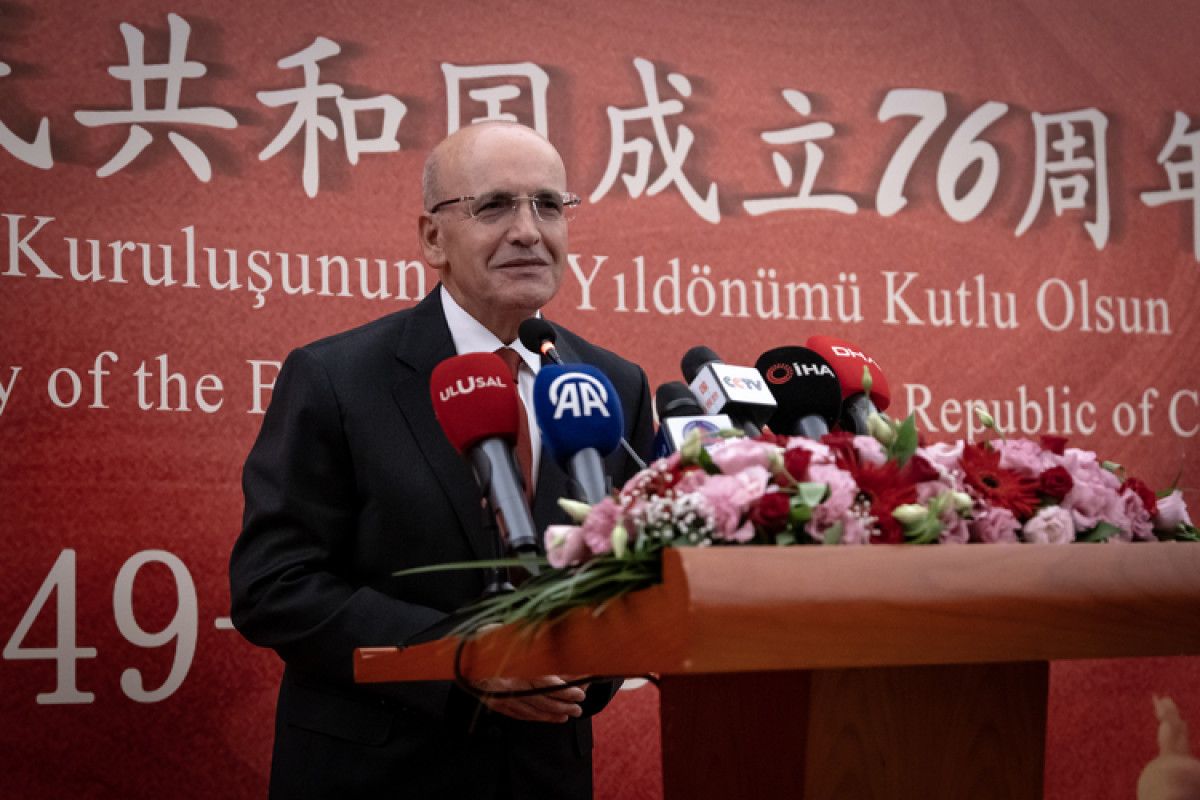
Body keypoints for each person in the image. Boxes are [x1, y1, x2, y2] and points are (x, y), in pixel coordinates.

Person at [229, 121, 654, 799]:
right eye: (495, 206)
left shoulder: (610, 385)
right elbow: (274, 586)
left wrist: (581, 670)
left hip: (543, 774)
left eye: (549, 205)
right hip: (376, 776)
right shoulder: (337, 378)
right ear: (433, 238)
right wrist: (464, 659)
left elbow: (628, 581)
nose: (528, 231)